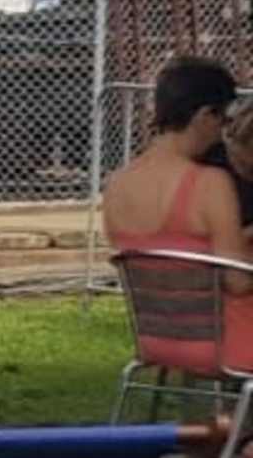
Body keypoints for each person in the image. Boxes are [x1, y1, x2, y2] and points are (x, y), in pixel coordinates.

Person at [105, 56, 253, 380]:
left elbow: (177, 255)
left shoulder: (116, 185)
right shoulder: (209, 184)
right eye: (224, 121)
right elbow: (238, 282)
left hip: (158, 341)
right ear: (204, 115)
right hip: (228, 344)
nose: (223, 133)